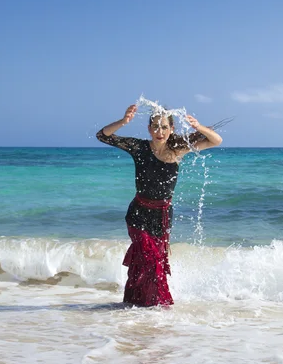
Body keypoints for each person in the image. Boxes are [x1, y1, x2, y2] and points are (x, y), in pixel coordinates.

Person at [96, 104, 223, 307]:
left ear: (172, 129)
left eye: (164, 127)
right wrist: (123, 121)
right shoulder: (139, 148)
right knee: (151, 260)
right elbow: (102, 136)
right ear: (149, 129)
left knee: (152, 263)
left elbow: (216, 140)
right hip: (138, 213)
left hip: (162, 216)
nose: (159, 131)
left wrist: (198, 127)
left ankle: (137, 306)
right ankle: (156, 307)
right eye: (155, 126)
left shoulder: (178, 149)